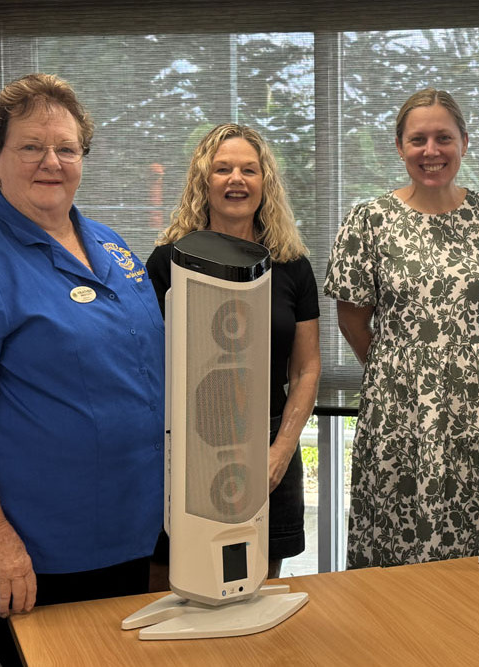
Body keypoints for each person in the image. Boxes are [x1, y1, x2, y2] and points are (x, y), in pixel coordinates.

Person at [0, 73, 163, 666]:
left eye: (67, 148)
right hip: (25, 560)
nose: (51, 161)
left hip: (122, 538)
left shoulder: (112, 248)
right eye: (31, 147)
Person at [324, 88, 479, 569]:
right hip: (398, 406)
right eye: (418, 139)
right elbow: (352, 317)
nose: (431, 151)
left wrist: (471, 362)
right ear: (399, 147)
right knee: (399, 529)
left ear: (464, 142)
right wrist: (400, 365)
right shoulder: (368, 220)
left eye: (444, 138)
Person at [145, 123, 320, 578]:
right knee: (176, 582)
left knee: (256, 591)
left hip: (270, 449)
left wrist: (279, 452)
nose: (236, 179)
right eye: (222, 169)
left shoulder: (292, 265)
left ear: (266, 183)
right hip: (188, 448)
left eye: (249, 169)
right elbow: (150, 363)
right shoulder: (169, 261)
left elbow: (306, 370)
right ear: (205, 181)